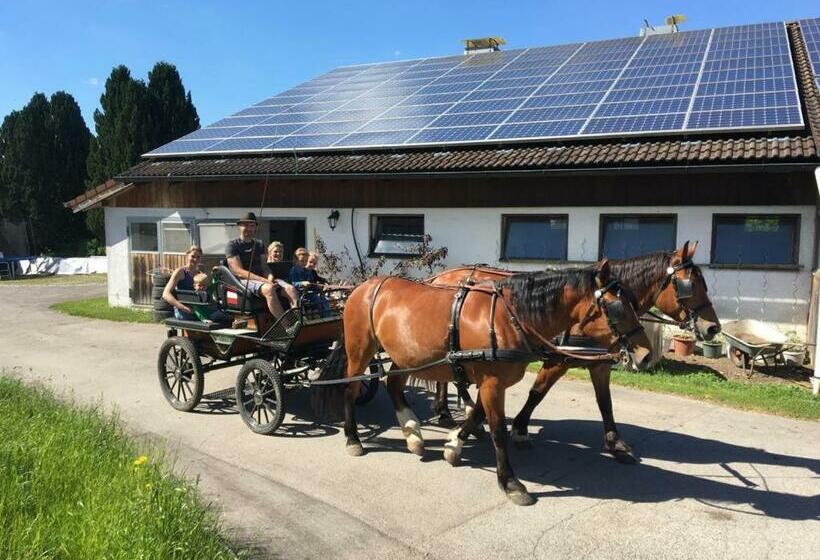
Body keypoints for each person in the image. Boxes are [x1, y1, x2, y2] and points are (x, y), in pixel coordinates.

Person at [225, 212, 293, 320]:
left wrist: (270, 277)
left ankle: (299, 322)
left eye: (252, 225)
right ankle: (286, 326)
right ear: (240, 226)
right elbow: (238, 271)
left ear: (255, 227)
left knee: (290, 288)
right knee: (269, 289)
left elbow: (265, 267)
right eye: (246, 225)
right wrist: (265, 281)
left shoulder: (259, 244)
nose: (249, 228)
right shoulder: (232, 245)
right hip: (242, 281)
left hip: (262, 280)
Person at [162, 245, 202, 320]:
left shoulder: (200, 274)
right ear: (187, 255)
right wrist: (182, 307)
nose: (195, 259)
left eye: (198, 257)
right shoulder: (180, 272)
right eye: (193, 256)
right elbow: (165, 294)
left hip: (197, 308)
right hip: (182, 310)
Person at [267, 240, 298, 307]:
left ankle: (297, 313)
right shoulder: (265, 265)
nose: (278, 254)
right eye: (275, 251)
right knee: (291, 289)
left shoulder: (286, 266)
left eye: (280, 252)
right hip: (271, 288)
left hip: (284, 288)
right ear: (269, 252)